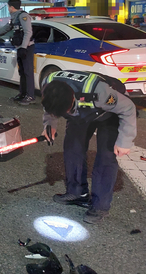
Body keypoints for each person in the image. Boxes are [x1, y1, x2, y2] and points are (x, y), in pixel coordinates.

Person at [40, 70, 136, 224]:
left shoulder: (99, 92)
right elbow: (48, 106)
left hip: (110, 113)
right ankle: (77, 193)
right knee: (72, 148)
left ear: (72, 98)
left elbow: (128, 108)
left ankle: (100, 206)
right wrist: (49, 123)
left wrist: (125, 140)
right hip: (84, 112)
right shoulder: (48, 84)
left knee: (106, 157)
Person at [0, 0, 34, 105]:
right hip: (20, 47)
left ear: (11, 7)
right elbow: (6, 28)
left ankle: (30, 96)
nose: (8, 9)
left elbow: (28, 32)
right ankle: (22, 93)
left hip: (27, 48)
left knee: (28, 72)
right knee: (22, 72)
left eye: (8, 7)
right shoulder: (14, 18)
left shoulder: (23, 16)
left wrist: (24, 47)